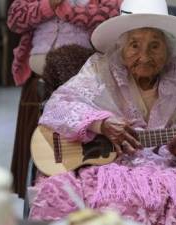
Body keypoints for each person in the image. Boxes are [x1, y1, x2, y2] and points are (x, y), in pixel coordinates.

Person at [29, 0, 176, 224]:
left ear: (167, 50)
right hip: (107, 166)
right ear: (121, 48)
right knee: (83, 193)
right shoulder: (99, 70)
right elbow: (58, 105)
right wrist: (100, 123)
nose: (144, 55)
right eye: (134, 45)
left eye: (154, 45)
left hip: (163, 165)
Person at [7, 0, 121, 197]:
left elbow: (111, 18)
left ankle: (69, 198)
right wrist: (48, 6)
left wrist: (67, 10)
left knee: (73, 155)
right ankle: (38, 199)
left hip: (83, 84)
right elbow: (14, 19)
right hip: (38, 83)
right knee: (37, 151)